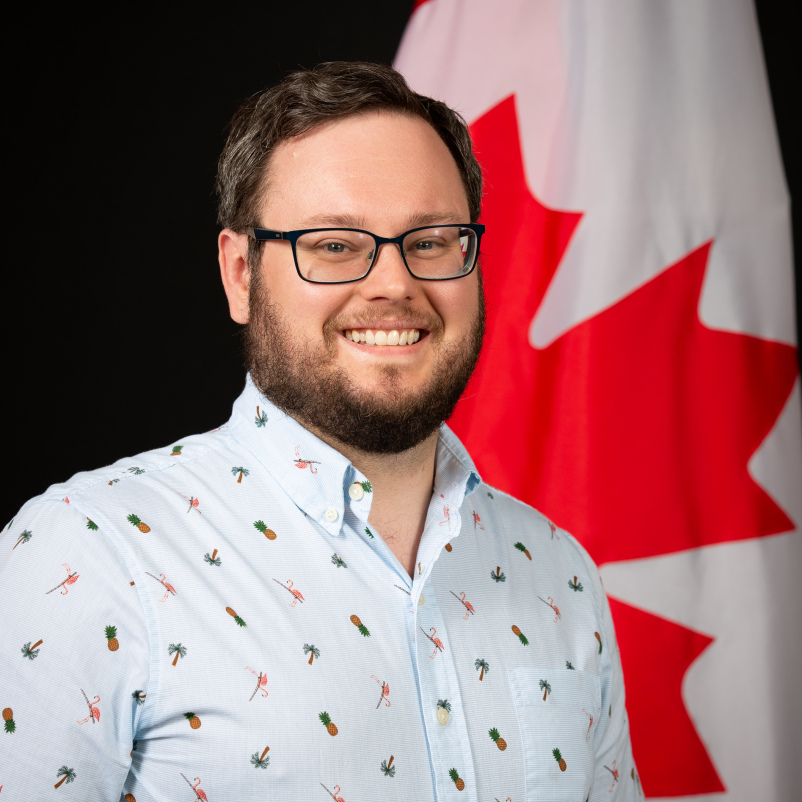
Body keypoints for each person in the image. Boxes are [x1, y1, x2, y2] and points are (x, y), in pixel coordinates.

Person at [0, 62, 637, 801]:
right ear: (241, 275)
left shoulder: (559, 574)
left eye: (432, 241)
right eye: (335, 244)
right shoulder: (87, 557)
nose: (394, 284)